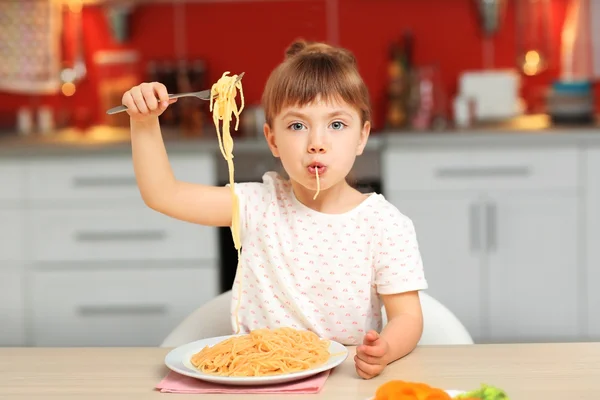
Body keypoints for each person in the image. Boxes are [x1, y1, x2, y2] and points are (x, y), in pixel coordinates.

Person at [121, 39, 428, 380]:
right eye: (297, 126)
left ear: (362, 136)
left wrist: (385, 349)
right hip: (257, 382)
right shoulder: (257, 205)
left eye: (337, 125)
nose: (317, 142)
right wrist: (144, 121)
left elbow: (407, 318)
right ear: (272, 140)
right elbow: (163, 194)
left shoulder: (384, 224)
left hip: (344, 380)